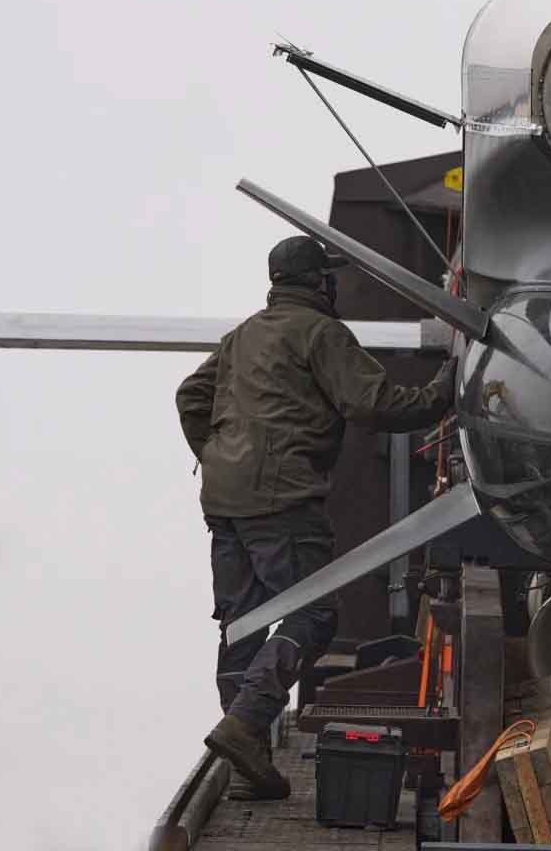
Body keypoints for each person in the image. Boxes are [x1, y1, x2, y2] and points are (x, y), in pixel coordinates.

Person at [175, 235, 455, 800]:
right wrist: (445, 389)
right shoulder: (321, 333)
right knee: (315, 614)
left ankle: (248, 762)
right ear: (317, 281)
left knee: (242, 622)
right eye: (330, 276)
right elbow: (373, 403)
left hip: (224, 498)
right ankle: (245, 723)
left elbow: (190, 397)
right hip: (282, 499)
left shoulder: (244, 334)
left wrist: (218, 453)